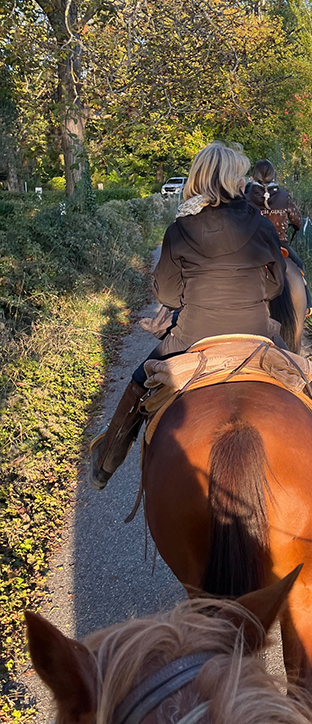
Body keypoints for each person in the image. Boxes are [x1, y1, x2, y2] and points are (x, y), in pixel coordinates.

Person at [89, 143, 288, 491]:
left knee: (140, 381)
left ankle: (106, 462)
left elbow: (166, 294)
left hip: (193, 336)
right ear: (232, 180)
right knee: (297, 372)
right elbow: (274, 286)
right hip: (257, 331)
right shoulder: (261, 226)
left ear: (199, 177)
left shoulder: (180, 229)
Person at [245, 160, 311, 312]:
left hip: (254, 247)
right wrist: (295, 226)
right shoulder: (283, 197)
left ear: (254, 176)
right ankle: (307, 304)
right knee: (299, 265)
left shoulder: (247, 198)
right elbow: (297, 221)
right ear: (273, 176)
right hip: (280, 245)